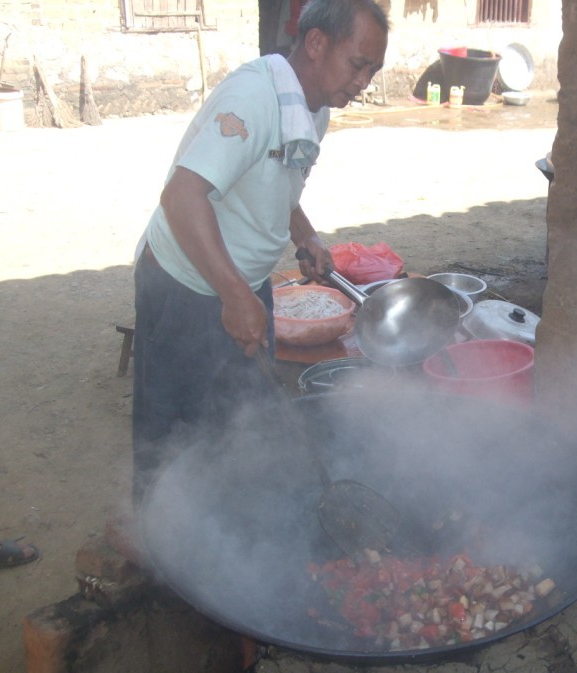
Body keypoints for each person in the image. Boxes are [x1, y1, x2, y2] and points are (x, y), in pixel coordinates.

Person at [131, 0, 389, 504]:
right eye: (358, 64)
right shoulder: (253, 97)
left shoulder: (311, 109)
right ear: (316, 44)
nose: (364, 82)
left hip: (241, 284)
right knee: (169, 428)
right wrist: (232, 294)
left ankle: (232, 520)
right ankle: (151, 535)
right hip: (184, 282)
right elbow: (182, 197)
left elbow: (273, 184)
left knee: (244, 417)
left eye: (372, 71)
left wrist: (305, 234)